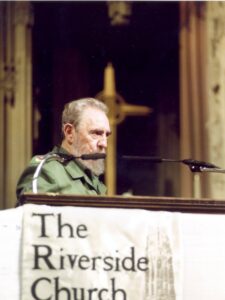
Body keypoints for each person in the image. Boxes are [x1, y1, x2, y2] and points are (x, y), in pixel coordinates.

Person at [16, 98, 111, 205]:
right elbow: (32, 219)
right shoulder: (47, 171)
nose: (104, 144)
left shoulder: (90, 175)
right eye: (96, 133)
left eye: (106, 135)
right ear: (69, 132)